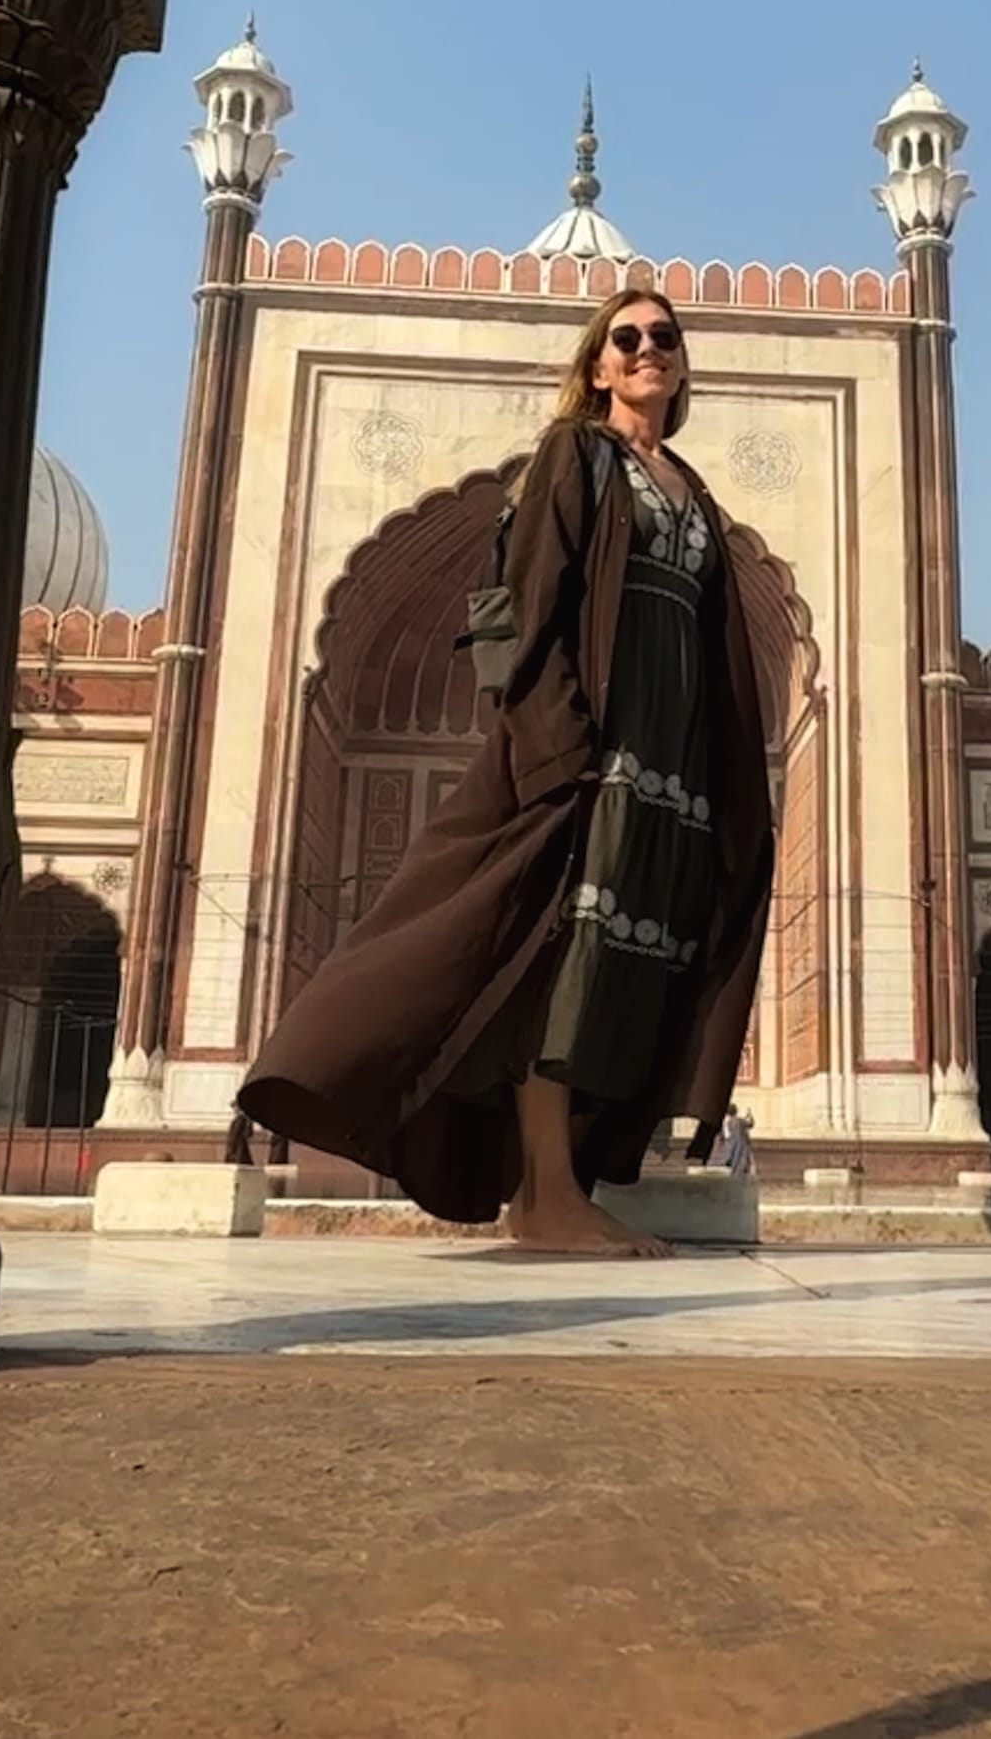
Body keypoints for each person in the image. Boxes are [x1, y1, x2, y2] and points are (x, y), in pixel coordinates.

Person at [238, 289, 778, 1256]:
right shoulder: (578, 455)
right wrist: (560, 747)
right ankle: (546, 1194)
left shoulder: (691, 488)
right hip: (591, 753)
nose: (649, 349)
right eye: (628, 339)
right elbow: (531, 599)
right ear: (599, 366)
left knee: (623, 963)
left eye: (665, 337)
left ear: (683, 363)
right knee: (557, 964)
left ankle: (556, 1185)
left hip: (669, 767)